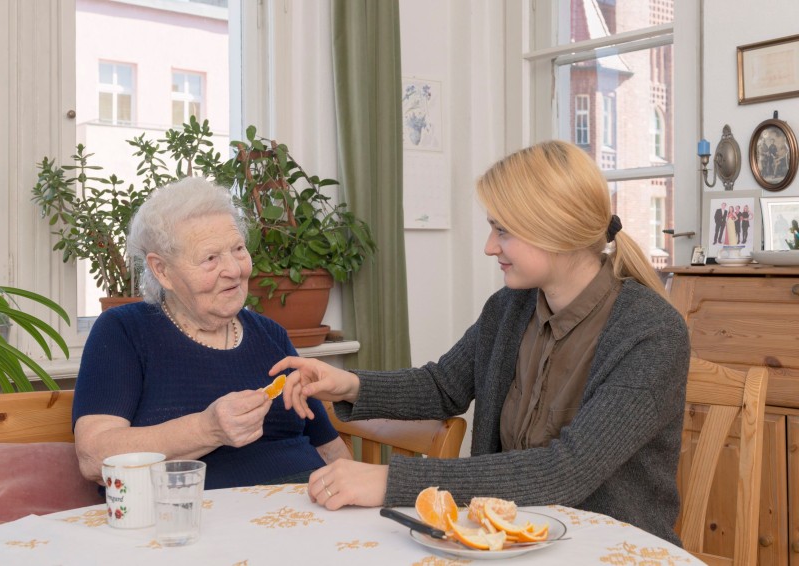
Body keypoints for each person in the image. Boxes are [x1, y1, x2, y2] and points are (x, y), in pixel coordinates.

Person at [271, 140, 690, 546]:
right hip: (508, 540)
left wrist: (391, 481)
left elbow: (567, 470)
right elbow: (443, 386)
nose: (490, 248)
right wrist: (346, 384)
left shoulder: (651, 333)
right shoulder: (509, 308)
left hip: (606, 547)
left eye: (502, 231)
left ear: (556, 231)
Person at [73, 177, 350, 490]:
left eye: (238, 249)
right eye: (210, 258)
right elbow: (94, 456)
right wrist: (207, 429)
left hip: (308, 512)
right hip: (192, 524)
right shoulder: (124, 331)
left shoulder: (270, 334)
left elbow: (329, 447)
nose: (234, 269)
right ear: (162, 270)